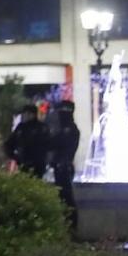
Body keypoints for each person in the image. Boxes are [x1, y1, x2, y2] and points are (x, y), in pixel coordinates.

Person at [49, 100, 82, 234]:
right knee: (63, 197)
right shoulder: (66, 128)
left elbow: (56, 143)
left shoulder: (70, 130)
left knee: (67, 198)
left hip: (64, 167)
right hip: (61, 166)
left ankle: (71, 228)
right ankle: (68, 227)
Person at [5, 103, 51, 179]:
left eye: (27, 114)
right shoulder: (21, 127)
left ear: (32, 114)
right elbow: (10, 143)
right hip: (24, 163)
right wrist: (15, 157)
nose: (24, 116)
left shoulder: (42, 128)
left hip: (37, 165)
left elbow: (47, 145)